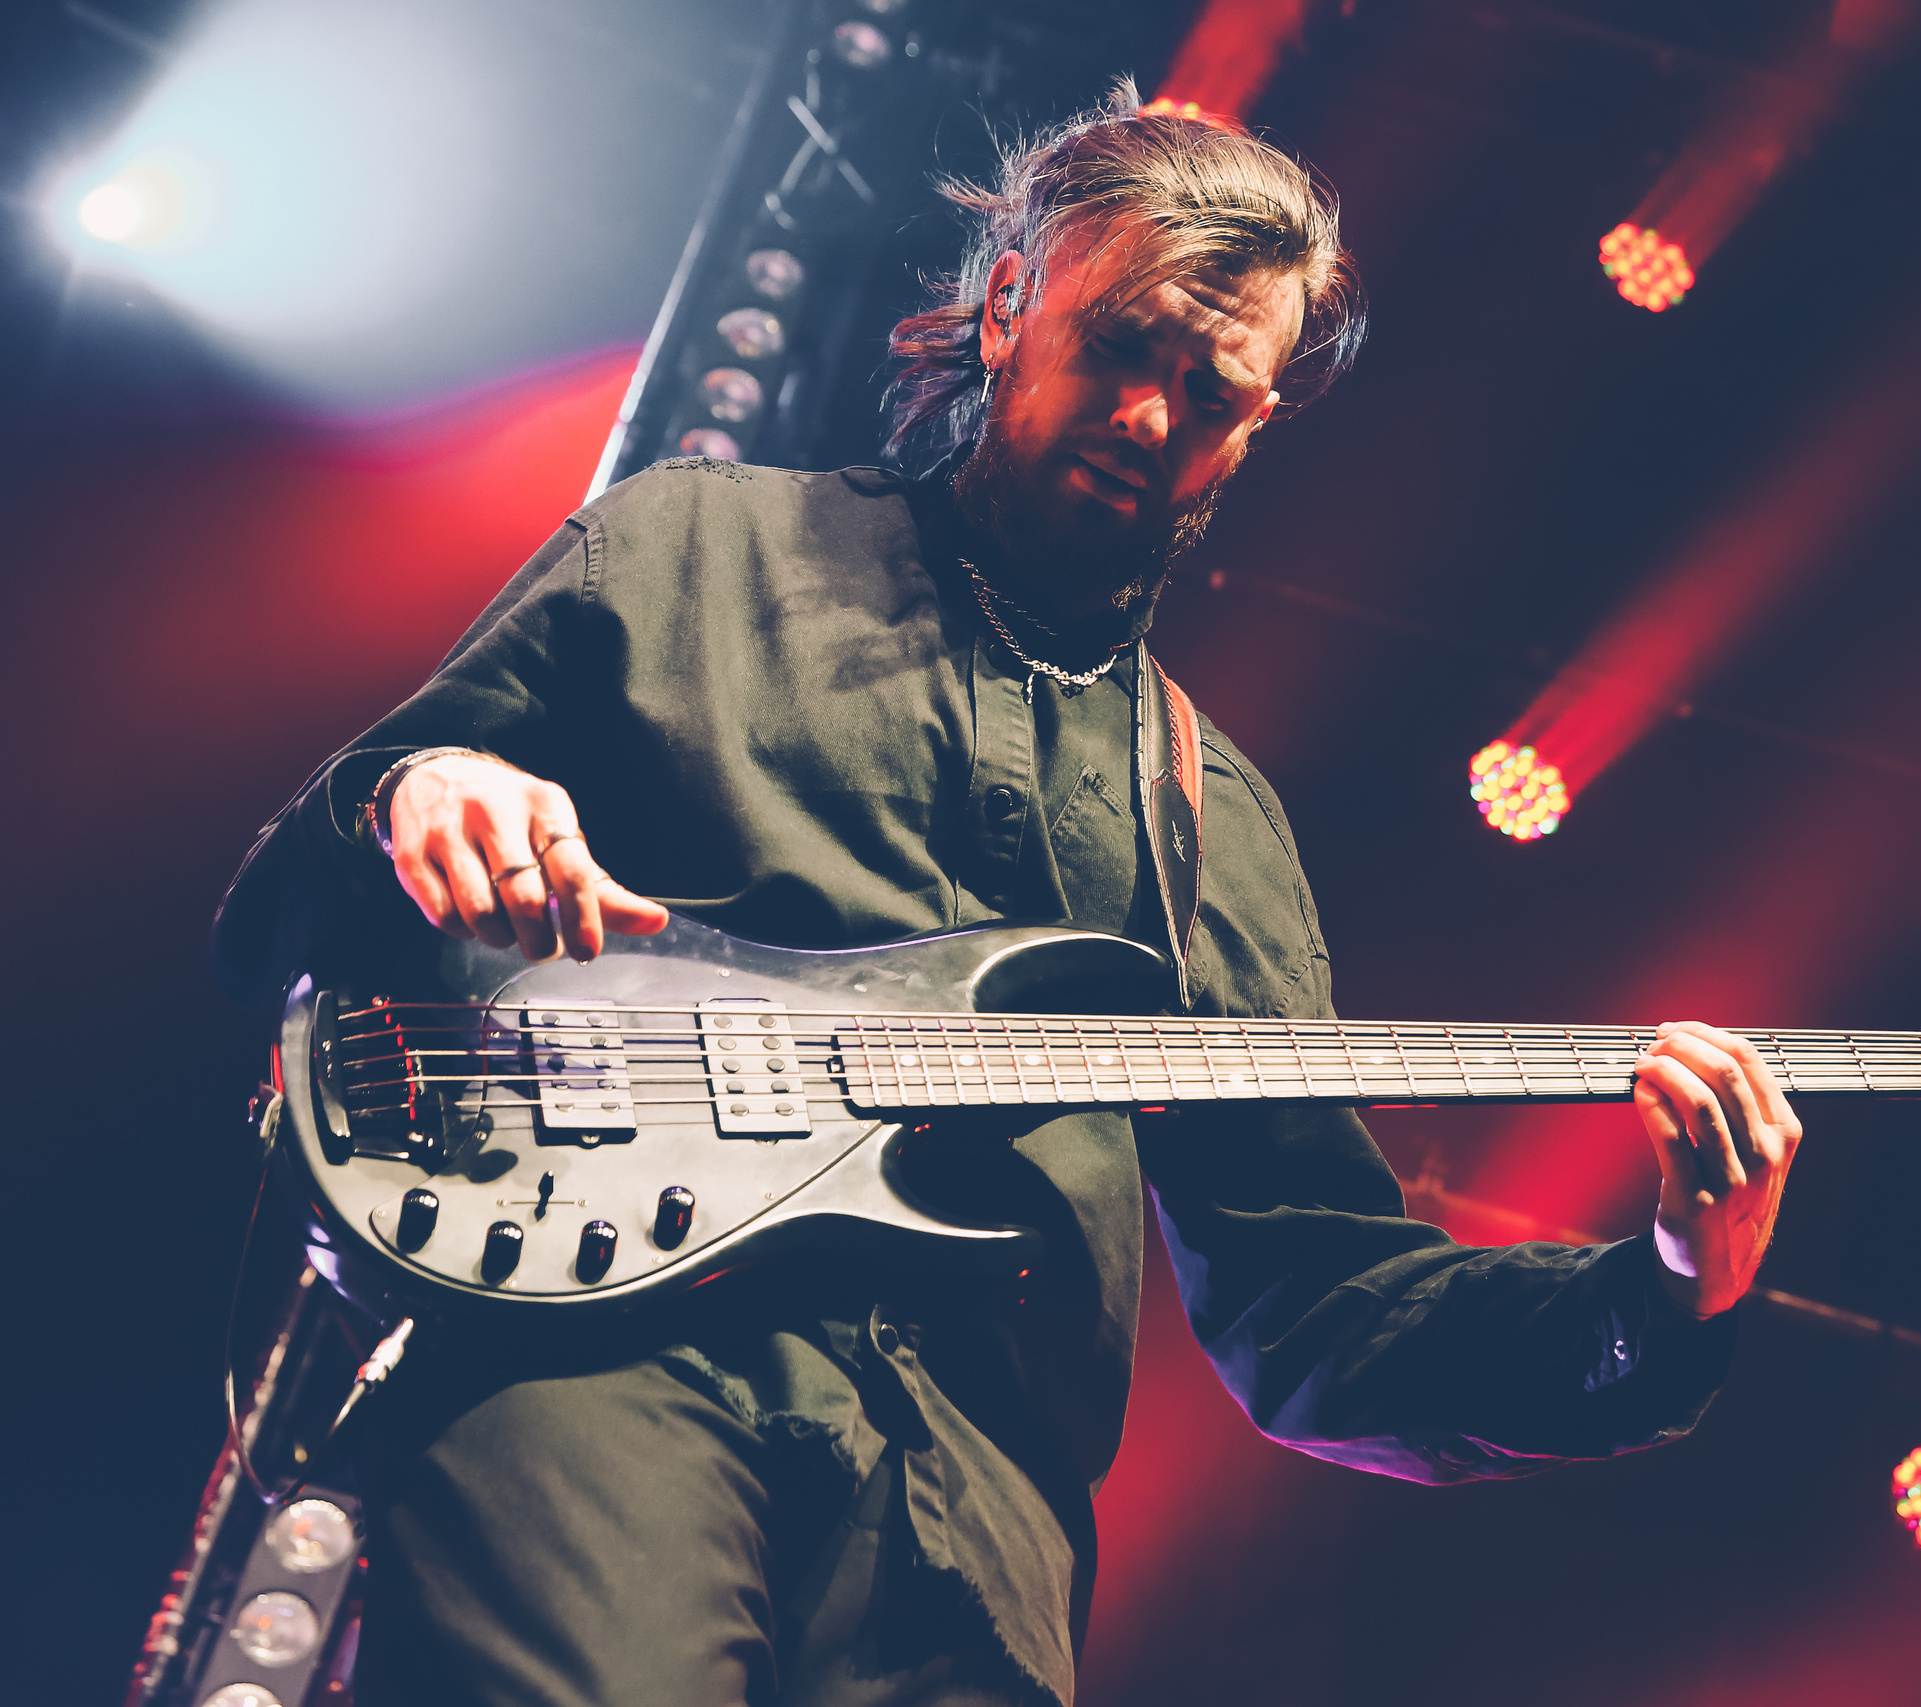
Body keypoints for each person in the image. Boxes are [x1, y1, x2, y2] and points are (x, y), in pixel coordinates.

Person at [212, 85, 1800, 1707]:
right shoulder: (695, 550)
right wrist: (424, 795)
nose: (1150, 416)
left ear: (1254, 432)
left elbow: (1311, 1299)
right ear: (1007, 301)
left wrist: (1665, 1288)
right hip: (605, 1352)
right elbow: (291, 912)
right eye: (1121, 347)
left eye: (1212, 392)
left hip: (971, 1507)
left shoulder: (1212, 817)